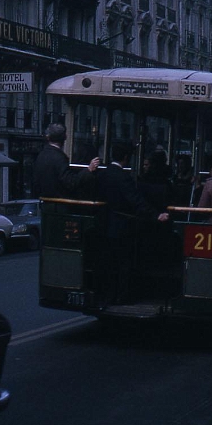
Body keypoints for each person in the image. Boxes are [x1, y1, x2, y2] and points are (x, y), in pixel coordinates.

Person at [96, 141, 170, 303]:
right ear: (126, 158)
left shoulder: (103, 174)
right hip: (121, 225)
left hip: (104, 223)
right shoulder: (123, 177)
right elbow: (135, 200)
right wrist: (156, 215)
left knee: (109, 262)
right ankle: (121, 297)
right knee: (123, 263)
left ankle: (107, 295)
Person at [32, 123, 99, 199]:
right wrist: (89, 170)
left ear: (48, 137)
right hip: (60, 202)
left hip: (45, 201)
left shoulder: (41, 155)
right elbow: (71, 182)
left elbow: (36, 182)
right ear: (65, 137)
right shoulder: (59, 158)